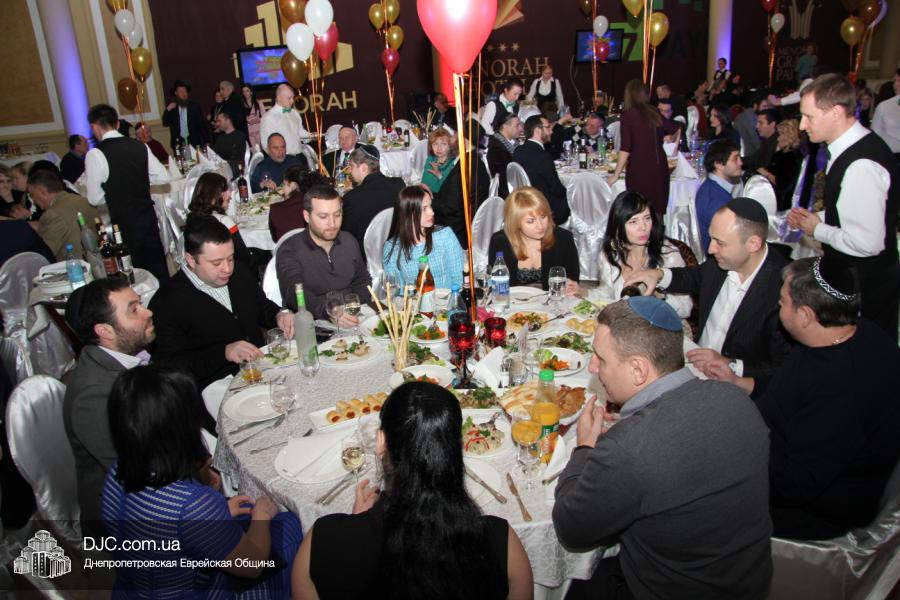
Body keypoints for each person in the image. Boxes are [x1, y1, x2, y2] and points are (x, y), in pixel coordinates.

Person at [554, 296, 772, 599]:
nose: (593, 367)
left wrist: (585, 448)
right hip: (747, 582)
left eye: (600, 359)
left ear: (638, 370)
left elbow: (571, 528)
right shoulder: (736, 399)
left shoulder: (626, 448)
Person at [707, 256, 900, 541]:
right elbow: (792, 384)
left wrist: (729, 451)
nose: (778, 305)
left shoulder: (840, 391)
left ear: (806, 315)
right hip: (776, 453)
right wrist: (740, 383)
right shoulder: (850, 333)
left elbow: (795, 484)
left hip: (813, 512)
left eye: (783, 301)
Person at [292, 381, 533, 598]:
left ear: (380, 443)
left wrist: (356, 526)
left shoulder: (321, 543)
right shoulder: (502, 544)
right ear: (457, 446)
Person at [102, 365, 302, 598]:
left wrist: (215, 517)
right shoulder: (191, 503)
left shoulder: (117, 471)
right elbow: (252, 565)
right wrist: (261, 516)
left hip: (134, 589)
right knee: (291, 523)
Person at [626, 198, 792, 379]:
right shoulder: (722, 261)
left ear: (753, 244)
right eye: (711, 238)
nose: (711, 249)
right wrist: (658, 275)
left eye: (720, 243)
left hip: (734, 384)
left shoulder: (784, 290)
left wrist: (732, 365)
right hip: (694, 363)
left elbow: (784, 367)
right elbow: (695, 276)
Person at [788, 73, 899, 341]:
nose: (802, 125)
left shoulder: (861, 166)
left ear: (836, 112)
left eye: (809, 117)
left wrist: (818, 229)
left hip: (867, 287)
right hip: (857, 280)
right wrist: (818, 217)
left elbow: (868, 243)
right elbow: (853, 209)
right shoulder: (852, 149)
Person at [149, 216, 293, 389]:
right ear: (191, 260)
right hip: (216, 388)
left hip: (262, 372)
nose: (227, 269)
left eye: (230, 258)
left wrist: (279, 314)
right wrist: (224, 352)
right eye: (216, 263)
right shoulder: (166, 302)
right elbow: (170, 367)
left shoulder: (239, 272)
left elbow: (260, 306)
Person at [63, 278, 155, 529]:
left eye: (140, 303)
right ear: (104, 331)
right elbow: (139, 475)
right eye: (134, 309)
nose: (148, 312)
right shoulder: (94, 397)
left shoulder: (125, 353)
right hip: (127, 519)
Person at [84, 104, 170, 280]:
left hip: (124, 222)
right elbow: (163, 177)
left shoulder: (95, 154)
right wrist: (139, 182)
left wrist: (116, 191)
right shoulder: (140, 146)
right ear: (117, 124)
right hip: (148, 217)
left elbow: (94, 198)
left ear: (94, 127)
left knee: (134, 273)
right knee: (158, 269)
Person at [275, 184, 371, 321]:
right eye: (323, 216)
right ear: (307, 216)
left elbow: (362, 280)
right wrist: (331, 312)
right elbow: (295, 293)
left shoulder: (349, 240)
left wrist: (355, 308)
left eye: (337, 215)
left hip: (354, 317)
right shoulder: (290, 250)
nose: (332, 224)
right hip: (314, 322)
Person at [595, 191, 692, 317]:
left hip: (659, 324)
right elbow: (607, 293)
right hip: (622, 322)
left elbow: (686, 308)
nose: (643, 227)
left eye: (647, 218)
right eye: (633, 221)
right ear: (618, 226)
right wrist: (582, 291)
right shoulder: (611, 255)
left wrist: (659, 296)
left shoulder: (668, 256)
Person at [607, 79, 681, 216]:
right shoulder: (653, 111)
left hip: (639, 168)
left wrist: (616, 174)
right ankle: (657, 230)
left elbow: (625, 148)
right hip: (659, 166)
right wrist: (671, 141)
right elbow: (676, 128)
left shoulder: (628, 115)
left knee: (639, 209)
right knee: (656, 210)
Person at [486, 187, 578, 291]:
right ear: (515, 222)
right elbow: (495, 286)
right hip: (513, 300)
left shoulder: (564, 238)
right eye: (531, 221)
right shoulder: (500, 241)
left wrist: (573, 288)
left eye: (543, 217)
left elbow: (572, 282)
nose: (540, 226)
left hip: (553, 300)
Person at [383, 186, 465, 289]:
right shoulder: (392, 248)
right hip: (413, 299)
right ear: (408, 213)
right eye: (424, 208)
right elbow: (396, 290)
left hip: (448, 298)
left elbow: (458, 279)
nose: (432, 212)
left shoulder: (445, 236)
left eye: (430, 206)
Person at [26, 169, 100, 261]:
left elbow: (44, 255)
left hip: (77, 266)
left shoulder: (52, 214)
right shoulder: (83, 200)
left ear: (42, 191)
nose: (33, 200)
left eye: (32, 195)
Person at [188, 171, 254, 270]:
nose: (229, 195)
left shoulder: (192, 218)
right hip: (233, 270)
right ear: (214, 195)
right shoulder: (224, 221)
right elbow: (244, 257)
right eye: (225, 190)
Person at [341, 147, 405, 249]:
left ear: (363, 168)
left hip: (366, 254)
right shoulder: (399, 184)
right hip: (397, 248)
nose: (349, 171)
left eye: (352, 166)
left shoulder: (352, 198)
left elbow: (346, 236)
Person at [512, 115, 570, 223]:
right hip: (545, 208)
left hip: (523, 203)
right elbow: (556, 189)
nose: (551, 131)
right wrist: (571, 193)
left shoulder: (518, 150)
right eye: (548, 127)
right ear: (538, 131)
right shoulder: (542, 156)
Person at [696, 139, 742, 253]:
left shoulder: (710, 186)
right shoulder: (717, 201)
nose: (740, 162)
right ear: (718, 164)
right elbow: (729, 240)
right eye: (735, 159)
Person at [268, 167, 328, 243]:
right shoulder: (319, 204)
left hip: (287, 249)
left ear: (293, 185)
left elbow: (276, 240)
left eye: (284, 185)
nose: (283, 190)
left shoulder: (275, 209)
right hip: (317, 249)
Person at [758, 119, 805, 211]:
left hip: (783, 204)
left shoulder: (790, 157)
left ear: (789, 136)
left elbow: (783, 184)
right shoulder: (786, 154)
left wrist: (766, 174)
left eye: (780, 135)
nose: (778, 138)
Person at [259, 83, 310, 156]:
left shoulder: (294, 113)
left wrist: (313, 136)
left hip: (299, 156)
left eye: (293, 97)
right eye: (289, 98)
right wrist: (280, 159)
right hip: (283, 159)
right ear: (279, 98)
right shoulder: (268, 118)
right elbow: (265, 144)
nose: (292, 101)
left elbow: (300, 132)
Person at [162, 80, 211, 149]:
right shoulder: (172, 107)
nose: (184, 93)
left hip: (194, 141)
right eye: (181, 91)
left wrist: (207, 140)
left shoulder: (194, 106)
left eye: (185, 91)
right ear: (176, 93)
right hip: (178, 143)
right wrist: (168, 110)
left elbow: (201, 124)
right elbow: (165, 123)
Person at [486, 113, 521, 198]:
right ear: (505, 126)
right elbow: (503, 182)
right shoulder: (497, 150)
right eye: (517, 125)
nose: (520, 129)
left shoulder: (509, 143)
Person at [741, 108, 782, 173]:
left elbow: (764, 166)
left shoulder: (778, 144)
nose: (757, 126)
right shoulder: (766, 140)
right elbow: (755, 158)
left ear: (772, 124)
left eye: (761, 123)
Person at [871, 68, 899, 161]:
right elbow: (876, 133)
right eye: (895, 81)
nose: (895, 85)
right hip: (891, 155)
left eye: (899, 81)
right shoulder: (885, 106)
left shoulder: (886, 105)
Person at [211, 108, 249, 176]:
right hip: (223, 167)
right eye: (217, 121)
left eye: (220, 121)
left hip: (236, 168)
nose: (217, 124)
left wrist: (221, 163)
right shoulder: (220, 138)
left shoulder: (239, 136)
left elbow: (236, 157)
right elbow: (215, 154)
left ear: (228, 121)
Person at [421, 128, 458, 194]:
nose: (439, 148)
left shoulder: (454, 163)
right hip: (426, 195)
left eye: (443, 144)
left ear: (450, 146)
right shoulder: (430, 159)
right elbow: (424, 183)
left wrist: (439, 175)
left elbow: (449, 190)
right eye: (435, 144)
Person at [734, 91, 769, 158]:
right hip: (750, 156)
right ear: (755, 105)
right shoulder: (751, 118)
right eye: (764, 106)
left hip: (746, 155)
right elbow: (757, 143)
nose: (767, 109)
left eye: (768, 107)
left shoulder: (745, 115)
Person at [241, 83, 265, 149]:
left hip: (259, 132)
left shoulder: (258, 103)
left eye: (247, 91)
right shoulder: (241, 104)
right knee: (254, 152)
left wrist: (257, 120)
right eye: (243, 91)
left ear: (251, 92)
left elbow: (264, 117)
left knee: (262, 150)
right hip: (249, 134)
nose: (245, 93)